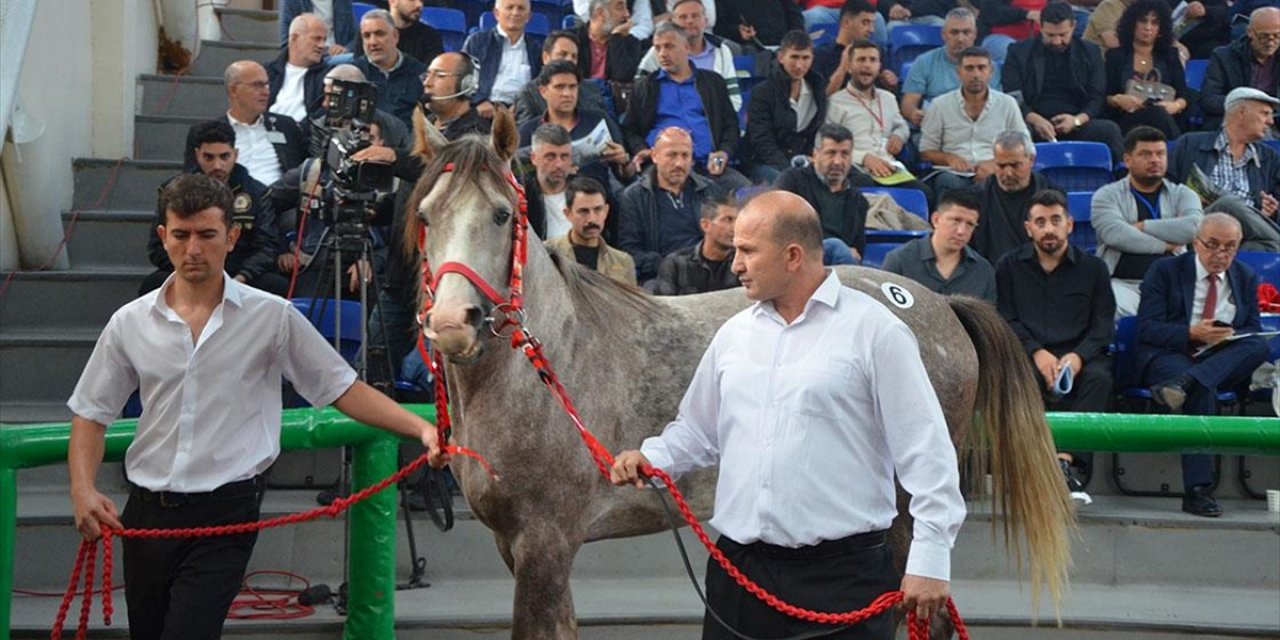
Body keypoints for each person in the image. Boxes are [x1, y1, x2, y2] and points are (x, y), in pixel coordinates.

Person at [68, 173, 449, 640]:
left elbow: (341, 387)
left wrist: (421, 428)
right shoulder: (129, 322)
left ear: (231, 237)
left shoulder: (272, 316)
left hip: (226, 511)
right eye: (182, 235)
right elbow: (92, 412)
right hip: (146, 511)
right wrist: (83, 489)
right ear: (163, 237)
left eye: (207, 235)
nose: (193, 250)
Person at [610, 190, 966, 639]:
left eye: (747, 251)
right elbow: (698, 431)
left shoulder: (877, 332)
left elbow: (927, 454)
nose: (735, 263)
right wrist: (655, 457)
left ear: (793, 255)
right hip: (739, 577)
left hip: (844, 579)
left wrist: (931, 556)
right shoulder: (734, 334)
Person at [1136, 213, 1271, 517]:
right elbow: (1147, 329)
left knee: (1258, 345)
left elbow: (1252, 327)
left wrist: (1229, 337)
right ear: (1196, 243)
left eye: (1230, 247)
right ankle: (1197, 491)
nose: (1220, 255)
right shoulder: (1165, 270)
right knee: (1204, 388)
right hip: (1172, 353)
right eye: (1212, 245)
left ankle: (1185, 383)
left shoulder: (1245, 276)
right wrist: (1191, 332)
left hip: (1220, 357)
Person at [995, 189, 1115, 506]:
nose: (1049, 228)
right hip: (1028, 355)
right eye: (1040, 221)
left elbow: (1103, 326)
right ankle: (1030, 470)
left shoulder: (1094, 269)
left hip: (1080, 356)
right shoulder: (1009, 267)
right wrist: (1036, 352)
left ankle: (1066, 465)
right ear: (1028, 228)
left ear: (1070, 225)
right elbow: (1005, 319)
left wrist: (1077, 357)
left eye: (1055, 220)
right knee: (1018, 380)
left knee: (1099, 379)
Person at [141, 120, 286, 297]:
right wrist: (188, 271)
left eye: (224, 157)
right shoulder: (172, 192)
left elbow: (267, 248)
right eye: (208, 157)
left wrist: (242, 277)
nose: (217, 165)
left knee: (276, 285)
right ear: (197, 155)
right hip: (189, 269)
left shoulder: (257, 193)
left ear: (236, 154)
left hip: (240, 274)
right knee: (153, 284)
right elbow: (157, 247)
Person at [622, 21, 748, 192]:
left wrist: (722, 154)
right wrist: (642, 149)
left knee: (749, 195)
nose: (662, 54)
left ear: (687, 48)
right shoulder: (645, 87)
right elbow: (630, 129)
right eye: (657, 48)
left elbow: (730, 126)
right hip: (662, 167)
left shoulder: (712, 82)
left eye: (669, 47)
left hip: (708, 166)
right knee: (640, 195)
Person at [1091, 126, 1202, 317]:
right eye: (1145, 154)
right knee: (1110, 305)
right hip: (1123, 283)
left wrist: (1143, 226)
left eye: (1160, 154)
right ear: (1127, 160)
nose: (1155, 160)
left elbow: (1194, 228)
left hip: (1174, 283)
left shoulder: (1183, 193)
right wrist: (1165, 246)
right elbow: (1116, 234)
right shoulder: (1106, 195)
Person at [1002, 1, 1124, 161]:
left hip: (1078, 120)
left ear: (1073, 26)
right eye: (1050, 35)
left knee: (1109, 130)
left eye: (1063, 35)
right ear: (1041, 27)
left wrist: (1077, 120)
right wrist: (1034, 118)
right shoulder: (1019, 52)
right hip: (1033, 120)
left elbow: (1097, 97)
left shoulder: (1090, 52)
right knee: (1016, 134)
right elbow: (1013, 95)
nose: (1057, 41)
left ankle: (1117, 181)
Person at [1168, 87, 1280, 253]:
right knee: (1229, 203)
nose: (1271, 121)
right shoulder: (1189, 144)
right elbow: (1165, 187)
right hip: (1200, 226)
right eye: (1264, 113)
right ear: (1241, 112)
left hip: (1244, 236)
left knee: (1268, 247)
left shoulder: (1269, 158)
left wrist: (1270, 212)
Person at [826, 41, 934, 203]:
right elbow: (830, 144)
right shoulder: (836, 102)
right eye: (861, 60)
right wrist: (864, 158)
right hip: (854, 167)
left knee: (924, 193)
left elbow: (902, 126)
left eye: (872, 60)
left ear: (879, 66)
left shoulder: (888, 98)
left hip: (888, 166)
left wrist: (898, 136)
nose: (867, 65)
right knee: (864, 186)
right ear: (849, 66)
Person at [920, 47, 1030, 195]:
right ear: (958, 72)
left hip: (996, 169)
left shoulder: (1007, 103)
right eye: (969, 68)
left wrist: (995, 164)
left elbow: (1025, 145)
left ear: (991, 72)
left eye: (981, 68)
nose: (976, 74)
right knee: (948, 182)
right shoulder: (940, 105)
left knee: (1001, 182)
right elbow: (926, 151)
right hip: (954, 172)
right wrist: (949, 158)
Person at [617, 127, 721, 284]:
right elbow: (630, 251)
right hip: (660, 275)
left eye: (685, 155)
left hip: (707, 271)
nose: (679, 163)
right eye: (672, 155)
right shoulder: (634, 196)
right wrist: (668, 265)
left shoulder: (709, 190)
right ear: (654, 156)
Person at [516, 61, 633, 183]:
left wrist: (624, 162)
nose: (567, 94)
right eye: (559, 87)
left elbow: (627, 176)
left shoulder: (598, 120)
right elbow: (519, 177)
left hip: (596, 195)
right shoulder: (528, 131)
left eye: (572, 87)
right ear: (543, 91)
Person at [774, 124, 870, 265]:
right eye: (831, 153)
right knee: (836, 247)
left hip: (837, 265)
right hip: (796, 258)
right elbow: (778, 226)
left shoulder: (858, 200)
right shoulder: (792, 180)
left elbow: (858, 250)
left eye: (844, 154)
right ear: (815, 155)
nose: (838, 162)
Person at [882, 189, 996, 302]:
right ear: (936, 219)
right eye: (956, 220)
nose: (961, 231)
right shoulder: (900, 260)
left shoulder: (983, 271)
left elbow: (987, 318)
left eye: (970, 224)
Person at [744, 31, 828, 183]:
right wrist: (789, 169)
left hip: (802, 161)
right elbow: (762, 140)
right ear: (781, 57)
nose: (799, 65)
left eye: (805, 58)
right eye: (794, 57)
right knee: (787, 182)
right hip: (764, 162)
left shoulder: (817, 88)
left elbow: (815, 132)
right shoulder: (763, 92)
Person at [967, 130, 1059, 262]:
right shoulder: (976, 197)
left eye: (1015, 165)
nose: (1008, 173)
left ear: (1031, 160)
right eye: (1001, 166)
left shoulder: (1052, 194)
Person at [634, 0, 744, 111]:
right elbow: (639, 88)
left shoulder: (722, 51)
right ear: (673, 23)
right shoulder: (659, 50)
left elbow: (733, 97)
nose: (690, 21)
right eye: (683, 17)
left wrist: (714, 120)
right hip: (668, 121)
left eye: (695, 16)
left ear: (705, 21)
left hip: (712, 122)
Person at [1101, 0, 1187, 140]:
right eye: (1143, 21)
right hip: (1127, 119)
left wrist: (1175, 106)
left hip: (1165, 117)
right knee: (1156, 114)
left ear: (1161, 29)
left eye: (1154, 23)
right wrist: (1118, 99)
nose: (1148, 28)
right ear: (1132, 24)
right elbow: (1105, 96)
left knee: (1158, 114)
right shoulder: (1115, 56)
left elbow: (1184, 94)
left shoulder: (1170, 55)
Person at [900, 9, 1001, 127]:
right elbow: (909, 101)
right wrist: (914, 113)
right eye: (954, 32)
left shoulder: (988, 66)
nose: (960, 39)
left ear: (975, 34)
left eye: (966, 32)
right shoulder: (924, 62)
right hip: (937, 125)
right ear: (943, 34)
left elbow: (996, 104)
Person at [221, 60, 307, 189]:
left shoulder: (285, 126)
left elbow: (307, 169)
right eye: (257, 85)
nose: (266, 92)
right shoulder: (211, 131)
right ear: (233, 90)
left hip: (280, 202)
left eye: (267, 85)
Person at [545, 176, 637, 284]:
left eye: (598, 209)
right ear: (568, 214)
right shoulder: (548, 254)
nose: (591, 219)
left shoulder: (623, 263)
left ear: (606, 211)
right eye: (583, 211)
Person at [1201, 7, 1280, 132]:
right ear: (1250, 32)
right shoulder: (1224, 56)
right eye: (1264, 36)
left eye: (1277, 36)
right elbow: (1209, 100)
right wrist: (1250, 108)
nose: (1271, 42)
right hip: (1239, 120)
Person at [462, 0, 543, 117]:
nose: (515, 13)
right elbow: (463, 77)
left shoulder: (536, 49)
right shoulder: (477, 42)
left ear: (528, 17)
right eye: (510, 7)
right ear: (496, 13)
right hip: (482, 111)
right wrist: (479, 101)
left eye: (521, 8)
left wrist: (522, 106)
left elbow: (540, 85)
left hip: (522, 115)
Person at [653, 192, 742, 294]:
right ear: (705, 225)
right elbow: (664, 306)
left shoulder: (744, 263)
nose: (735, 227)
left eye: (738, 220)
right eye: (728, 220)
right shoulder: (676, 264)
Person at [353, 9, 427, 129]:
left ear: (395, 36)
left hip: (406, 145)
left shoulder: (419, 74)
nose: (373, 42)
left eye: (379, 34)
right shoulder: (353, 73)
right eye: (366, 36)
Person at [514, 31, 609, 124]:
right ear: (545, 57)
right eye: (563, 54)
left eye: (574, 56)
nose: (569, 60)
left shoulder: (591, 89)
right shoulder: (528, 94)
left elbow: (609, 128)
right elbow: (526, 134)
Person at [815, 0, 896, 97]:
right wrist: (843, 67)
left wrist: (890, 84)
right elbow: (822, 99)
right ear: (847, 23)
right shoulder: (822, 54)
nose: (871, 30)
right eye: (865, 23)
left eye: (872, 23)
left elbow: (884, 96)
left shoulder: (876, 53)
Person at [267, 13, 332, 123]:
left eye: (324, 40)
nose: (322, 45)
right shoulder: (267, 72)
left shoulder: (329, 76)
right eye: (316, 39)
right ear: (294, 38)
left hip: (305, 137)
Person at [523, 123, 578, 240]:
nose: (559, 164)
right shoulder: (522, 197)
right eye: (550, 157)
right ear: (534, 158)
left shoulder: (586, 191)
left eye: (564, 156)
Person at [352, 0, 444, 67]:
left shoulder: (431, 36)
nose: (419, 5)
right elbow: (359, 69)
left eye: (421, 1)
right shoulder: (368, 32)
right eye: (412, 0)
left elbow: (429, 76)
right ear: (393, 1)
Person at [576, 0, 645, 85]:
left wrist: (616, 38)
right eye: (620, 8)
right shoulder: (574, 39)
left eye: (626, 7)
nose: (627, 14)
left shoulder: (631, 43)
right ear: (600, 13)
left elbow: (622, 77)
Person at [712, 0, 805, 50]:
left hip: (784, 46)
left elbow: (794, 16)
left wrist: (794, 40)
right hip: (749, 49)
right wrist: (737, 32)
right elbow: (719, 28)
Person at [978, 0, 1046, 62]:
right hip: (998, 37)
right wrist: (1026, 14)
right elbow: (990, 12)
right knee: (1009, 52)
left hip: (1038, 37)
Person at [278, 0, 355, 55]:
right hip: (308, 57)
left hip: (339, 58)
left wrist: (345, 49)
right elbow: (286, 43)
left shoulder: (344, 2)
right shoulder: (290, 2)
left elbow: (356, 37)